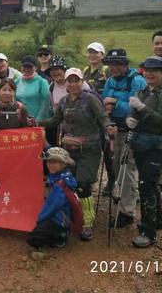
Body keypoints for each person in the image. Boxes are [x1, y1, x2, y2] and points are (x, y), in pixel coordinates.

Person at [39, 68, 116, 241]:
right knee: (69, 184)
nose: (73, 84)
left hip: (90, 150)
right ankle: (74, 214)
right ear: (66, 83)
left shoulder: (91, 99)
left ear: (82, 82)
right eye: (70, 81)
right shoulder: (64, 102)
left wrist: (109, 127)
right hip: (70, 150)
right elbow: (55, 121)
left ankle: (87, 223)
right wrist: (36, 123)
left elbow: (103, 117)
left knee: (83, 185)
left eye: (77, 80)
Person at [102, 48, 147, 228]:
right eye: (111, 64)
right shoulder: (110, 81)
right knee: (115, 167)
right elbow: (104, 101)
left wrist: (115, 103)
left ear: (126, 64)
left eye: (118, 64)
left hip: (132, 131)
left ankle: (127, 211)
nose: (113, 67)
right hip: (114, 130)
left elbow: (137, 107)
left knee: (127, 169)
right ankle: (127, 198)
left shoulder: (137, 81)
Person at [125, 56, 162, 247]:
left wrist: (143, 109)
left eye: (154, 71)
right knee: (150, 183)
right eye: (146, 70)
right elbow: (134, 111)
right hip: (140, 144)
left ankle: (149, 232)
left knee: (146, 184)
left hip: (156, 146)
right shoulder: (144, 91)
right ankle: (158, 219)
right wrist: (130, 118)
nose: (149, 73)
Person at [27, 147, 77, 248]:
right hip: (61, 216)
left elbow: (52, 206)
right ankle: (60, 232)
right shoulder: (60, 176)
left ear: (63, 164)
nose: (50, 165)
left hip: (59, 219)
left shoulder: (60, 184)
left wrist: (40, 219)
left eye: (55, 162)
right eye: (49, 162)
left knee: (33, 239)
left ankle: (60, 236)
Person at [82, 43, 112, 197]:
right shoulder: (85, 70)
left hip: (102, 113)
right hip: (88, 115)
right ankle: (90, 178)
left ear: (102, 55)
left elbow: (109, 88)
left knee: (107, 150)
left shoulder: (106, 70)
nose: (93, 55)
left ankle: (112, 180)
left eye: (96, 53)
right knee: (93, 149)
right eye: (90, 52)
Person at [15, 56, 50, 123]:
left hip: (38, 121)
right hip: (21, 121)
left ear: (35, 67)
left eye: (30, 67)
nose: (27, 69)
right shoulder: (16, 82)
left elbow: (46, 103)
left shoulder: (42, 82)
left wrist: (38, 120)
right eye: (25, 66)